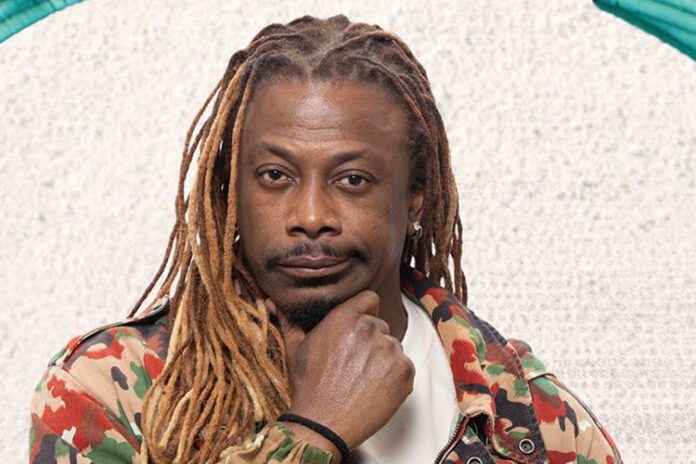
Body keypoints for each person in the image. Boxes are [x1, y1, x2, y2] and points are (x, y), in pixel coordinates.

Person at [29, 15, 623, 464]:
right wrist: (313, 431)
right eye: (275, 176)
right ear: (229, 191)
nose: (310, 216)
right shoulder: (112, 388)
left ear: (415, 196)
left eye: (352, 180)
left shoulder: (536, 421)